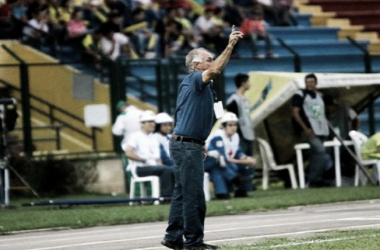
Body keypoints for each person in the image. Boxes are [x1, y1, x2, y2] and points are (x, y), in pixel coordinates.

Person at [161, 26, 243, 250]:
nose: (213, 61)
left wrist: (200, 140)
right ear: (197, 65)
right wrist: (230, 45)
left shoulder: (203, 86)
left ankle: (173, 237)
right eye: (209, 59)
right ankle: (194, 242)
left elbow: (184, 113)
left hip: (187, 144)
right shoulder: (195, 78)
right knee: (194, 196)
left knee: (182, 193)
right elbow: (215, 70)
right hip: (186, 147)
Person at [204, 112, 256, 199]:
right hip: (211, 162)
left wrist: (246, 158)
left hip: (226, 161)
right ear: (224, 126)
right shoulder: (218, 136)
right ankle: (224, 190)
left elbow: (237, 151)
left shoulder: (235, 136)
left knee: (248, 166)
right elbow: (223, 157)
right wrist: (243, 161)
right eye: (230, 125)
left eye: (235, 125)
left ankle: (242, 190)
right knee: (225, 167)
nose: (233, 128)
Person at [292, 73, 331, 187]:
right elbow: (295, 112)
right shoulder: (300, 95)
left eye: (311, 82)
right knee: (320, 150)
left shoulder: (320, 95)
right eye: (307, 82)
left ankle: (314, 178)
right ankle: (314, 179)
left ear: (316, 83)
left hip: (321, 129)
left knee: (316, 155)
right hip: (309, 129)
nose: (309, 84)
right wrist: (305, 128)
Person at [124, 110, 175, 198]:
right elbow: (128, 153)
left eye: (154, 122)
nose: (153, 124)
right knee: (167, 170)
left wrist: (159, 164)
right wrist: (143, 159)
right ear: (142, 124)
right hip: (140, 168)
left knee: (173, 169)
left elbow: (158, 158)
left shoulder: (153, 138)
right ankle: (167, 197)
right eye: (150, 122)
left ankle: (176, 196)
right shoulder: (135, 136)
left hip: (153, 166)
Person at [226, 73, 255, 157]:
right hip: (241, 136)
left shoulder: (245, 100)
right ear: (243, 83)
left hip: (249, 134)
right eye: (248, 81)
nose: (250, 84)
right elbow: (232, 120)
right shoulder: (234, 101)